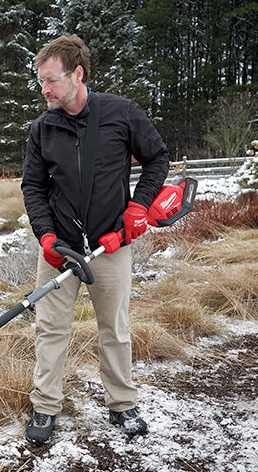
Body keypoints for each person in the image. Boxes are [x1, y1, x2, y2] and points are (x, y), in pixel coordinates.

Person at [20, 34, 170, 445]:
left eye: (51, 80)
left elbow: (157, 158)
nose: (45, 90)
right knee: (50, 329)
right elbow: (33, 187)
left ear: (78, 74)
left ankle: (122, 404)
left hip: (111, 243)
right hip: (60, 248)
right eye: (41, 81)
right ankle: (46, 407)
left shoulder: (122, 114)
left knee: (115, 328)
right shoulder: (43, 128)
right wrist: (46, 236)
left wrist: (139, 206)